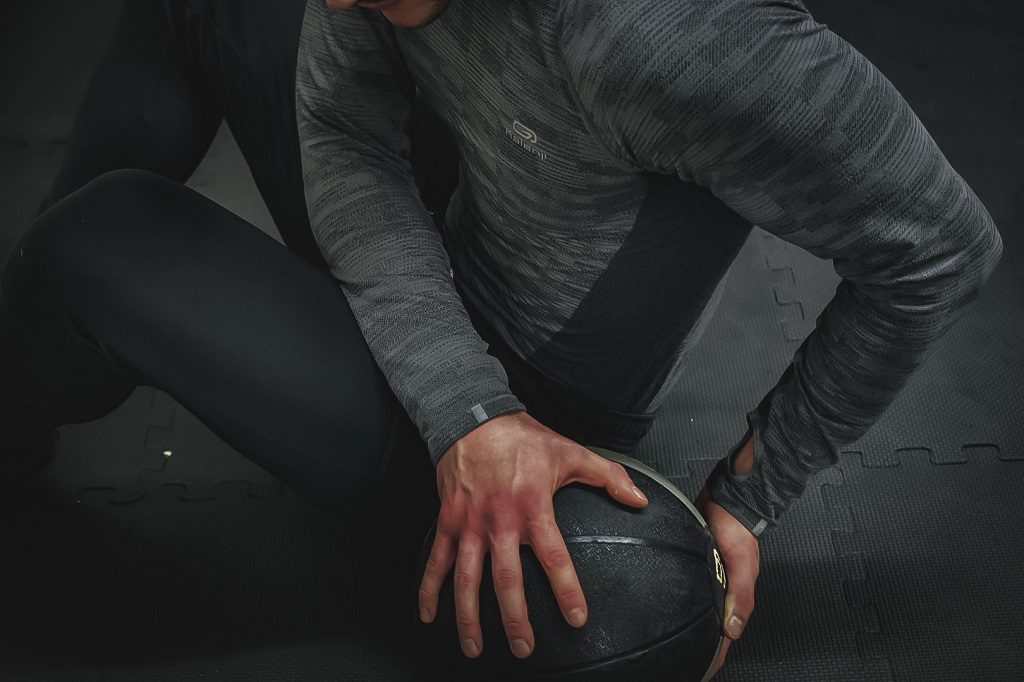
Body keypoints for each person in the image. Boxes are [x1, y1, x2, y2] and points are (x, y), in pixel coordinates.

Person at [0, 0, 1003, 677]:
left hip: (529, 411)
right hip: (435, 272)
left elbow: (944, 246)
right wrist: (458, 397)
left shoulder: (673, 34)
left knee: (95, 239)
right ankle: (30, 348)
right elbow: (344, 133)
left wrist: (744, 499)